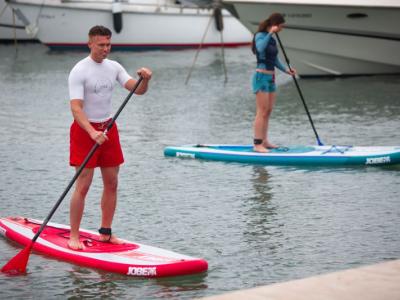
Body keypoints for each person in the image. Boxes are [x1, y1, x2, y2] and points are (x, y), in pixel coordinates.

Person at [67, 25, 152, 250]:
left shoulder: (113, 67)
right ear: (90, 44)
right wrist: (92, 132)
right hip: (85, 131)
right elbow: (76, 108)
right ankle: (73, 236)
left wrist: (144, 79)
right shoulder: (79, 70)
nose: (105, 49)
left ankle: (105, 232)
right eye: (101, 45)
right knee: (83, 185)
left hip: (108, 129)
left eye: (108, 44)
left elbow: (138, 90)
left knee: (112, 183)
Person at [251, 13, 296, 153]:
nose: (281, 30)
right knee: (261, 111)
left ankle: (265, 141)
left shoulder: (272, 40)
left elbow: (275, 60)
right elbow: (260, 49)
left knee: (268, 111)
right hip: (261, 77)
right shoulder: (260, 36)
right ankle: (257, 144)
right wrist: (270, 33)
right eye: (280, 26)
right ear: (274, 25)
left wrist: (286, 70)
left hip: (271, 78)